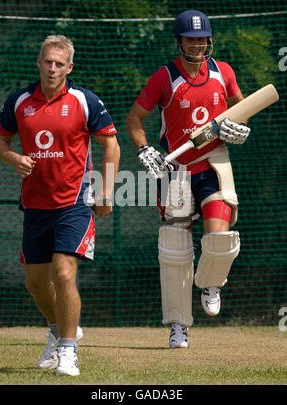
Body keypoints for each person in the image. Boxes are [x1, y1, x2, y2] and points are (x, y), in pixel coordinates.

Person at [0, 35, 120, 375]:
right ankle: (58, 327)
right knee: (35, 284)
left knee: (64, 273)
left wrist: (105, 192)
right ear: (39, 62)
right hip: (35, 206)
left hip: (74, 203)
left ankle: (68, 350)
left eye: (59, 64)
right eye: (47, 62)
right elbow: (0, 142)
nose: (52, 68)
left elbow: (111, 146)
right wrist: (13, 158)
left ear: (69, 67)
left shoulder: (84, 100)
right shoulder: (18, 101)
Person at [126, 10, 250, 348]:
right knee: (175, 251)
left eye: (201, 38)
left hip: (212, 163)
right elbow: (135, 118)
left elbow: (243, 108)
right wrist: (143, 149)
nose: (196, 44)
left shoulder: (223, 73)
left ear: (208, 40)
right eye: (189, 39)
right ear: (179, 41)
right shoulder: (164, 78)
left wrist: (239, 130)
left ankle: (211, 282)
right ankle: (179, 325)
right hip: (175, 169)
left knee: (220, 235)